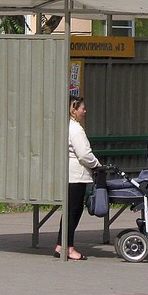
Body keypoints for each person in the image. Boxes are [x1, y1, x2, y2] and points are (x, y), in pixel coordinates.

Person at [55, 95, 102, 260]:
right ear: (73, 109)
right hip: (77, 176)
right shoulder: (75, 129)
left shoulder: (66, 126)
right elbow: (83, 154)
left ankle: (61, 245)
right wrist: (96, 164)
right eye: (82, 108)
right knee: (73, 212)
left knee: (70, 211)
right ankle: (68, 248)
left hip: (70, 175)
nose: (85, 111)